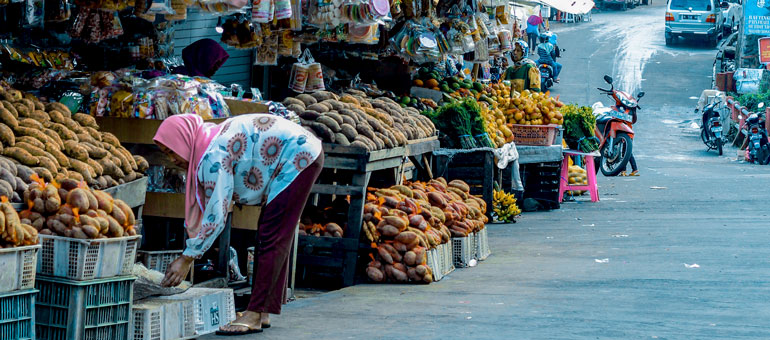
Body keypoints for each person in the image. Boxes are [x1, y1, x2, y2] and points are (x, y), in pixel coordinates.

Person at [154, 113, 324, 335]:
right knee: (269, 235)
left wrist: (187, 257)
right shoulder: (209, 141)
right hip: (299, 154)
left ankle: (255, 313)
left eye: (171, 150)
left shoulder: (212, 155)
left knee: (273, 236)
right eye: (166, 153)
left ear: (184, 139)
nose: (172, 159)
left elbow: (216, 215)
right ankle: (262, 311)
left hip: (299, 157)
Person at [620, 111, 639, 176]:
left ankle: (624, 170)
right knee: (628, 152)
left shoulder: (624, 114)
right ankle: (634, 169)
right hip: (630, 135)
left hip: (626, 136)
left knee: (625, 153)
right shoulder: (630, 114)